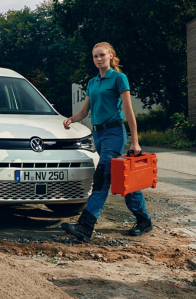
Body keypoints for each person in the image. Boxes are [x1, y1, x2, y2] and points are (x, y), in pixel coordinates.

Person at [61, 42, 152, 242]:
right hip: (99, 135)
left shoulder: (119, 78)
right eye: (95, 56)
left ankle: (85, 226)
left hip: (114, 133)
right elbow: (85, 112)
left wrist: (134, 141)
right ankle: (143, 219)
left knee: (101, 177)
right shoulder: (92, 83)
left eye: (102, 55)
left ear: (111, 55)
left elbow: (128, 110)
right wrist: (71, 119)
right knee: (120, 177)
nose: (98, 59)